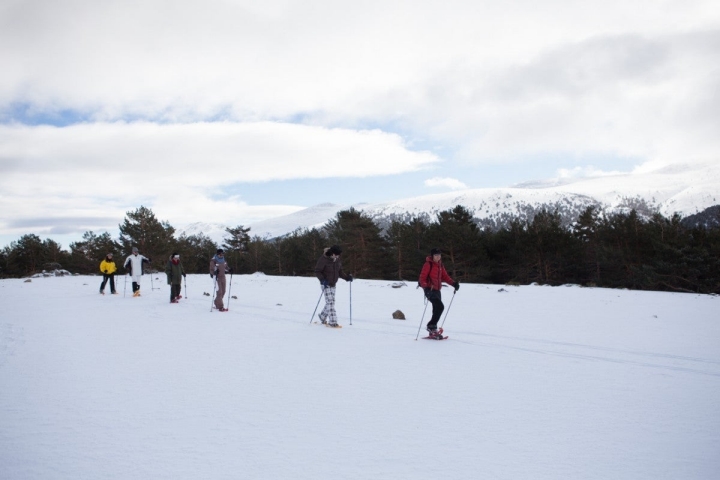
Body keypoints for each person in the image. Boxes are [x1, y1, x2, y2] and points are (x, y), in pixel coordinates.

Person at [418, 248, 459, 337]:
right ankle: (431, 326)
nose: (438, 257)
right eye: (436, 255)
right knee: (440, 307)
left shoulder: (440, 265)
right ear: (432, 256)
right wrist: (426, 288)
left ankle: (433, 330)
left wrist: (453, 283)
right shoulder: (428, 264)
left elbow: (445, 276)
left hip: (437, 290)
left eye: (439, 255)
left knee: (436, 309)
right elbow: (422, 278)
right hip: (430, 290)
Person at [314, 245, 353, 328]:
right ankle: (333, 322)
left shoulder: (337, 260)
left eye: (338, 255)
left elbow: (340, 271)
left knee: (330, 302)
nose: (337, 256)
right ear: (331, 253)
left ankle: (322, 316)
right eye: (336, 255)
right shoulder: (323, 259)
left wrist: (347, 278)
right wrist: (322, 280)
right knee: (330, 302)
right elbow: (317, 271)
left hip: (333, 284)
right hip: (325, 284)